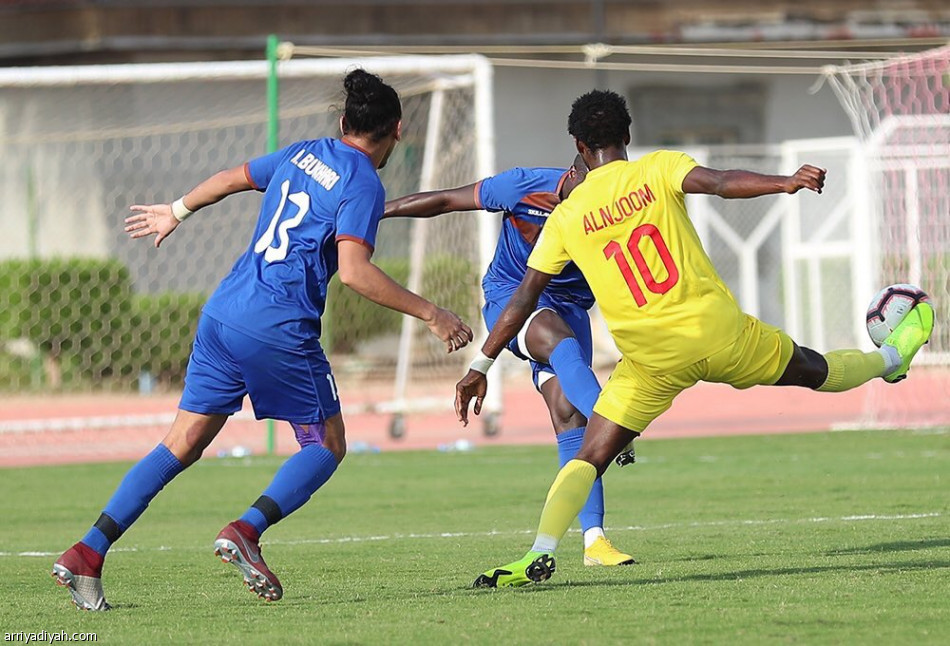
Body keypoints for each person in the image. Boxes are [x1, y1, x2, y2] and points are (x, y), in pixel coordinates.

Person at [455, 89, 935, 588]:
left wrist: (481, 366)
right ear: (627, 136)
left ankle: (539, 553)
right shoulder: (658, 168)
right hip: (720, 335)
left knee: (589, 457)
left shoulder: (567, 217)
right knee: (816, 371)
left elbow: (522, 301)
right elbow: (723, 183)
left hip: (650, 361)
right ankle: (892, 357)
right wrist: (786, 182)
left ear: (578, 146)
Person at [51, 69, 474, 610]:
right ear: (396, 130)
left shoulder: (303, 153)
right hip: (278, 326)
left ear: (343, 122)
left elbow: (231, 177)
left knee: (180, 443)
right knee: (325, 445)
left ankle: (88, 552)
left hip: (224, 314)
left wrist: (175, 210)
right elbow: (355, 273)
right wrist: (432, 313)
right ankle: (246, 531)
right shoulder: (364, 181)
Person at [384, 161, 637, 567]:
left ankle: (595, 541)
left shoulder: (610, 207)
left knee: (570, 418)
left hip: (571, 309)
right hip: (511, 298)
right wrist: (380, 209)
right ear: (572, 173)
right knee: (556, 339)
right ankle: (613, 423)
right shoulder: (523, 186)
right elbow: (448, 199)